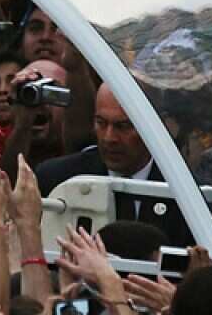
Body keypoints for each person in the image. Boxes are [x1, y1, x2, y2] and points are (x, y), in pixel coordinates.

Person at [36, 82, 193, 245]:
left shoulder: (185, 192)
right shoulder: (57, 179)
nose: (109, 138)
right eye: (101, 123)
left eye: (123, 126)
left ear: (155, 125)